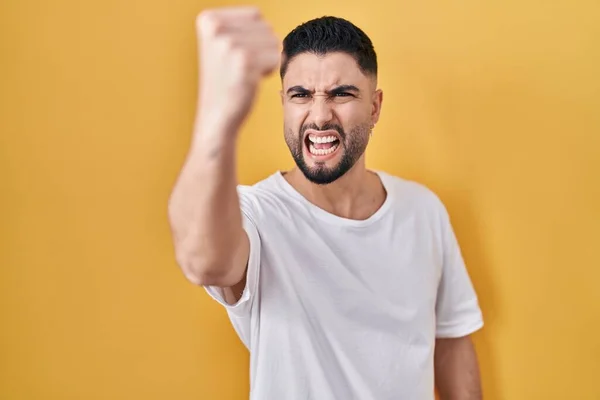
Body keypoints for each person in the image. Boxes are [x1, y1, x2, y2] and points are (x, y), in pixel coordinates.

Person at [168, 6, 484, 400]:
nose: (319, 116)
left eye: (341, 94)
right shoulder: (256, 214)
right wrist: (218, 117)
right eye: (301, 95)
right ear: (284, 102)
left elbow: (451, 343)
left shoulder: (423, 210)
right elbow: (204, 261)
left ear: (374, 107)